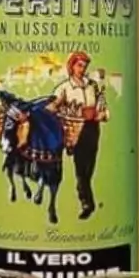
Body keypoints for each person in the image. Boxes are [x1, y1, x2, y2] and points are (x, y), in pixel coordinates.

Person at [49, 51, 107, 221]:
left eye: (85, 66)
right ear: (72, 66)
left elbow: (104, 109)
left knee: (90, 168)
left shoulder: (93, 86)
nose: (82, 69)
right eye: (79, 65)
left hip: (92, 129)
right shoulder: (64, 87)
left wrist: (100, 115)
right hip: (76, 130)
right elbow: (52, 106)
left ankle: (84, 192)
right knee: (81, 169)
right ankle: (87, 203)